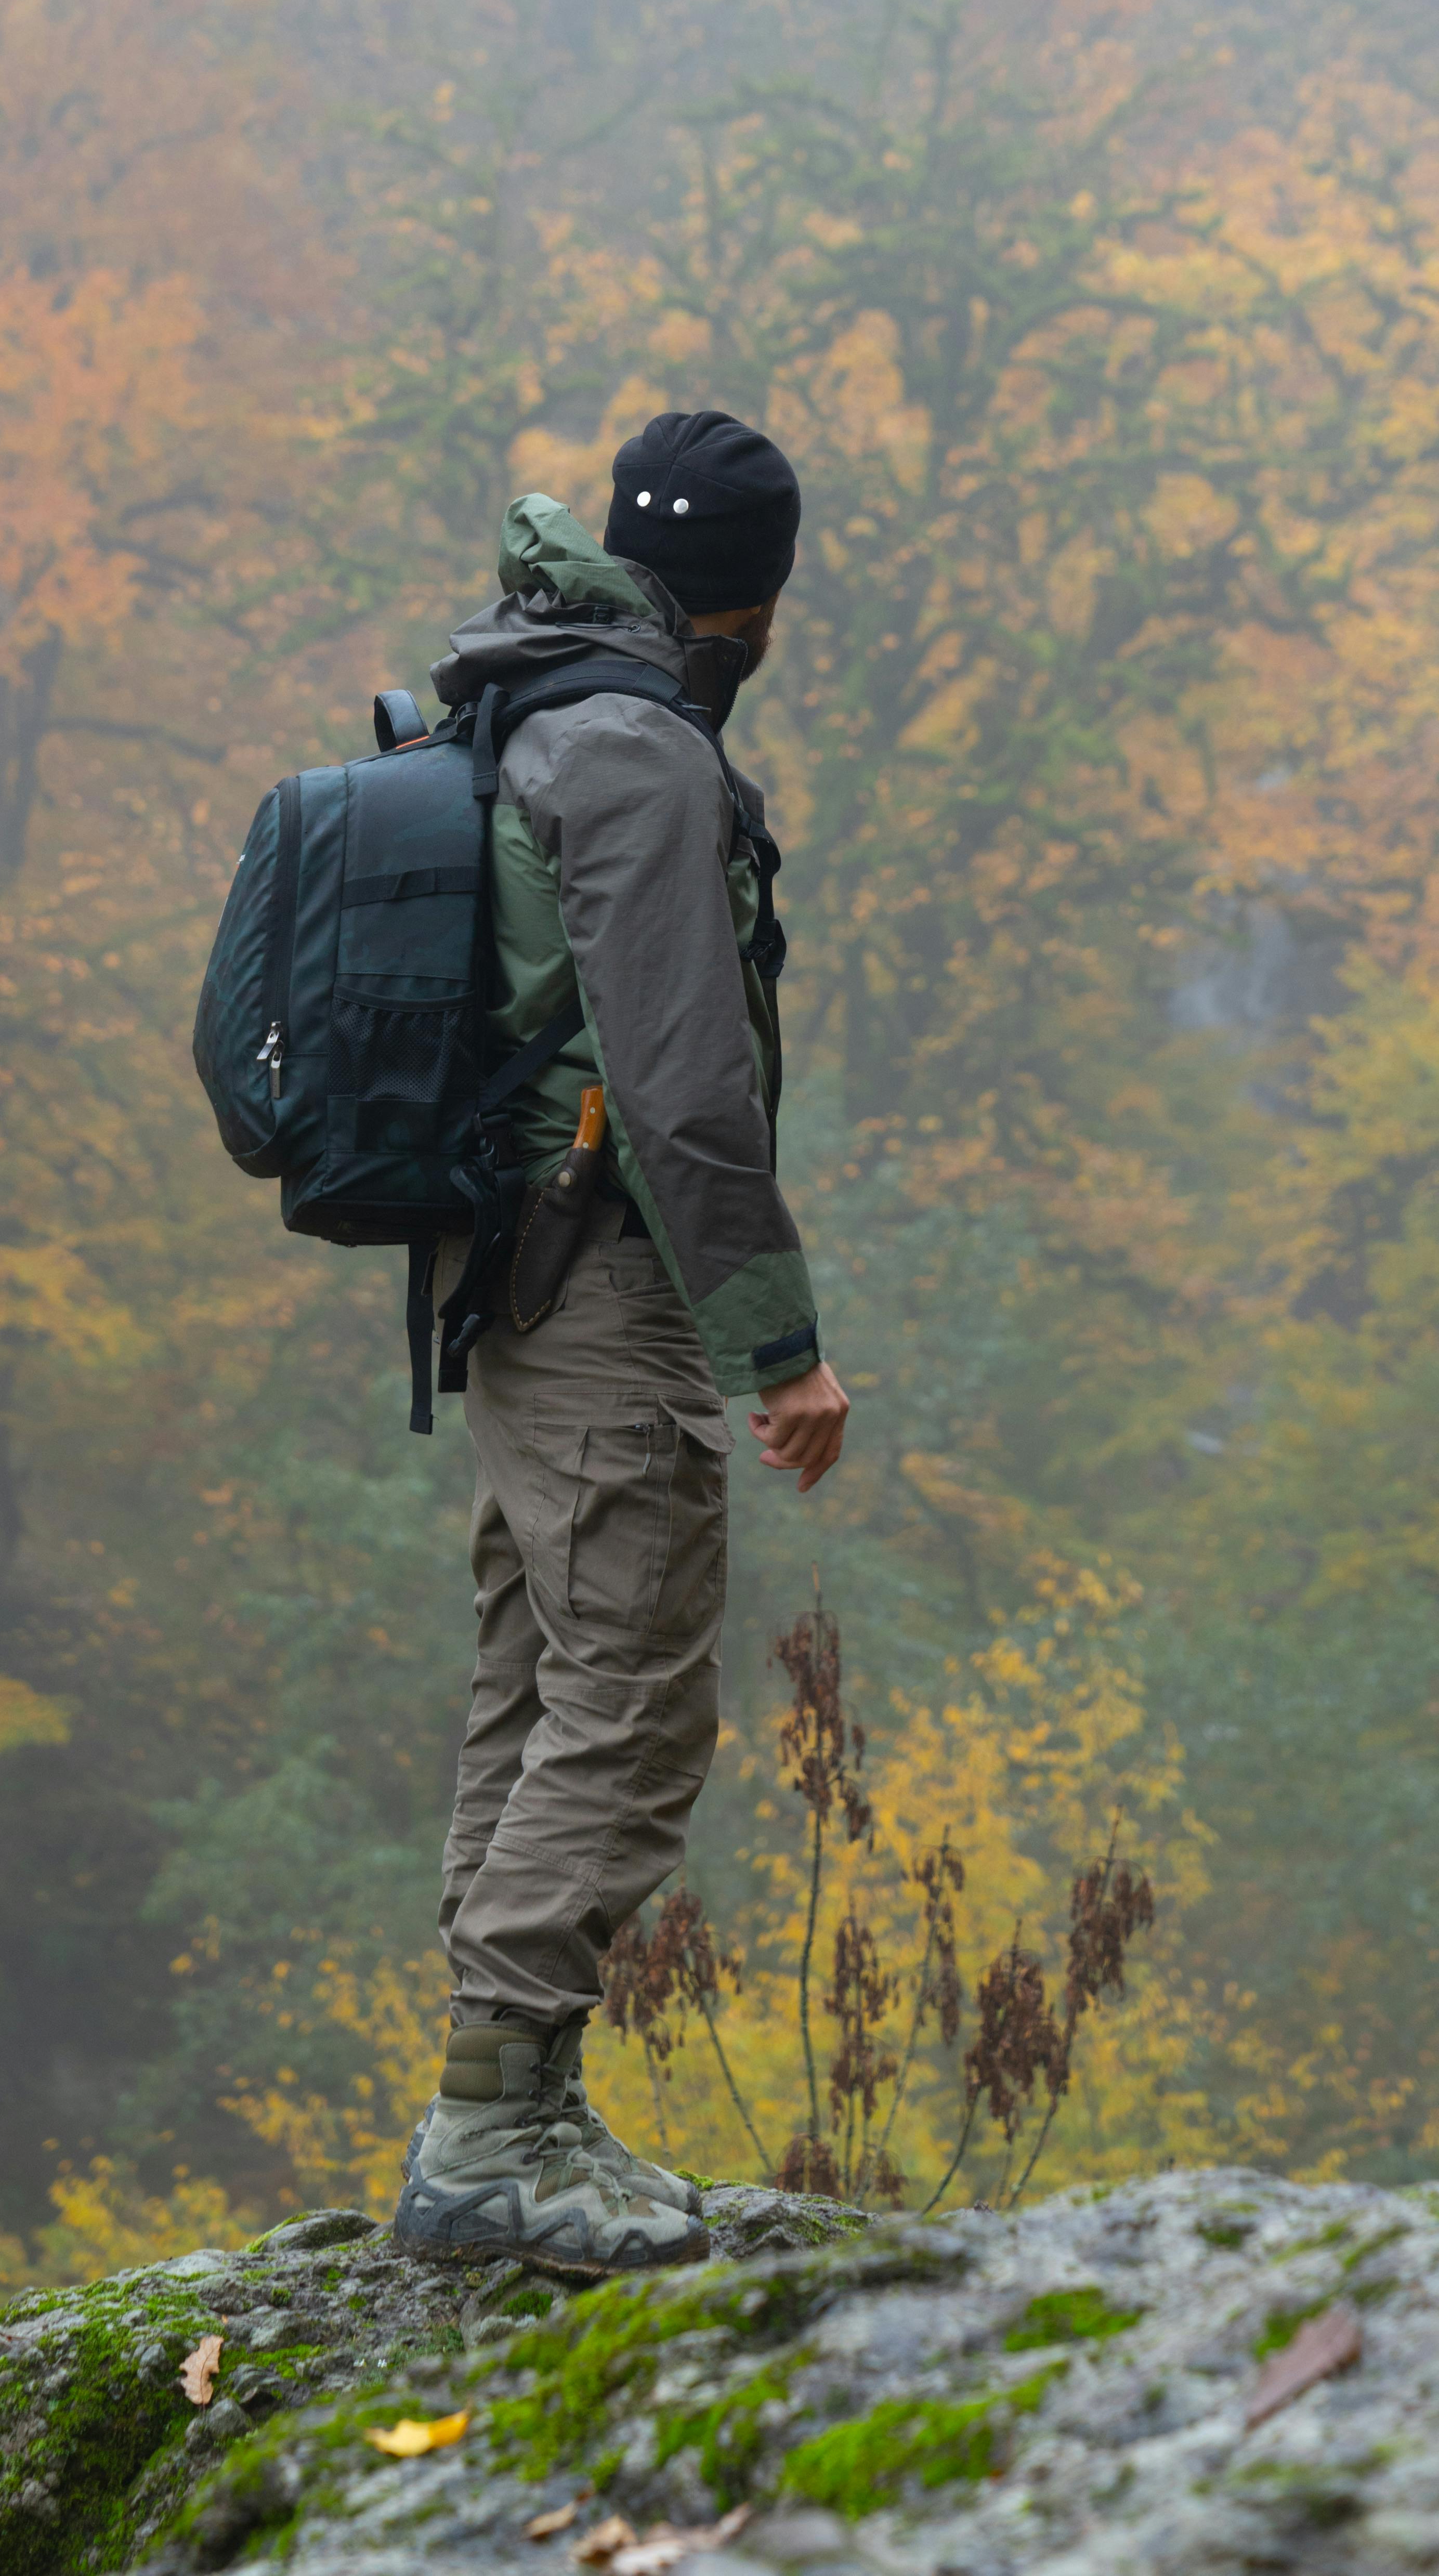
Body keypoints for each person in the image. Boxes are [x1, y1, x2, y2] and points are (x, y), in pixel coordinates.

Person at [390, 409, 850, 2273]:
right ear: (747, 605)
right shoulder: (644, 759)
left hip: (502, 1267)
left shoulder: (522, 695)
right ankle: (494, 2132)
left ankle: (515, 2098)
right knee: (638, 1686)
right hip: (598, 1278)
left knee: (546, 1664)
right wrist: (779, 1346)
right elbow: (679, 1087)